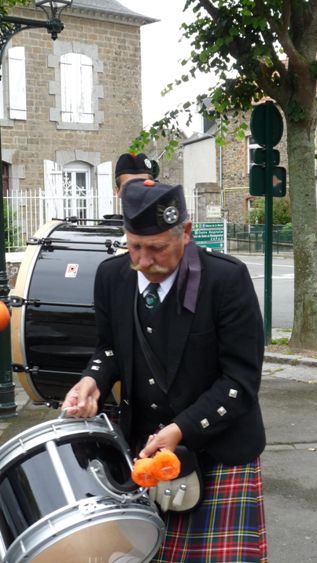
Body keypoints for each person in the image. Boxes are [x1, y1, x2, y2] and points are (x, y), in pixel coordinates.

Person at [62, 179, 267, 562]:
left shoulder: (226, 280)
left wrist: (179, 430)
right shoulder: (112, 276)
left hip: (220, 453)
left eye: (156, 248)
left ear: (185, 233)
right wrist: (93, 379)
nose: (142, 261)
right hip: (142, 453)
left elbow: (239, 382)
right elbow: (109, 348)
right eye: (134, 246)